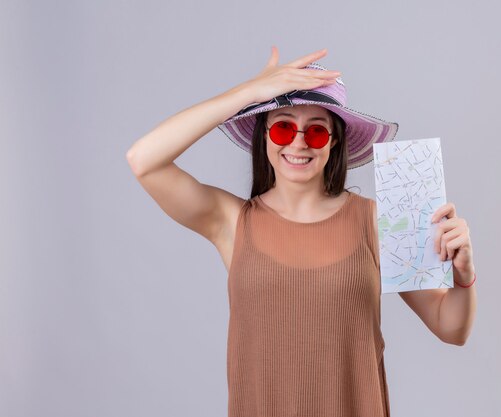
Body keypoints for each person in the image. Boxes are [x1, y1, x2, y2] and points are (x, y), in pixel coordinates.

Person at [126, 46, 477, 417]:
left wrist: (463, 275)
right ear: (264, 136)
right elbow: (143, 160)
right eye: (282, 126)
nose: (297, 142)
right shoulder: (231, 221)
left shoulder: (379, 222)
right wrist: (248, 92)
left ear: (335, 141)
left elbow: (450, 328)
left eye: (316, 131)